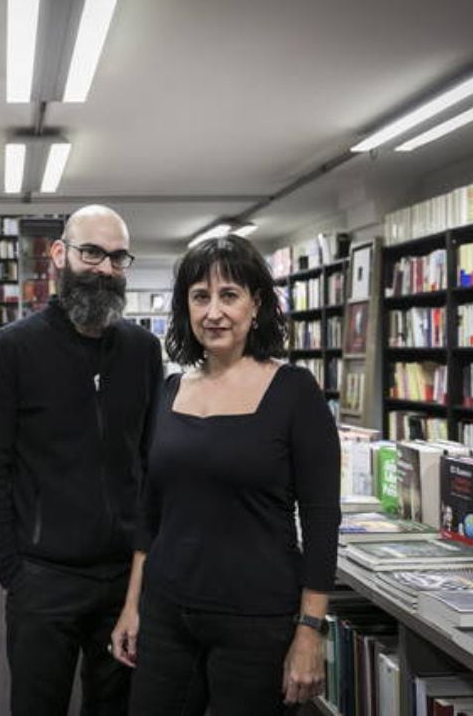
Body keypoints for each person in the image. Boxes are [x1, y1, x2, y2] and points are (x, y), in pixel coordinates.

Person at [111, 234, 341, 716]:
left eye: (229, 295)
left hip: (257, 622)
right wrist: (134, 604)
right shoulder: (169, 390)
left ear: (256, 304)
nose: (213, 311)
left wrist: (309, 630)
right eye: (200, 297)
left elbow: (321, 520)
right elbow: (149, 512)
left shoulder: (295, 392)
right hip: (167, 613)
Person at [0, 204, 163, 716]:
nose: (104, 268)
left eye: (118, 257)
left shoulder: (144, 350)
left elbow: (151, 462)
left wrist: (142, 572)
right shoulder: (13, 349)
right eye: (92, 252)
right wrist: (12, 570)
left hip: (124, 581)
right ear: (59, 254)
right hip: (42, 580)